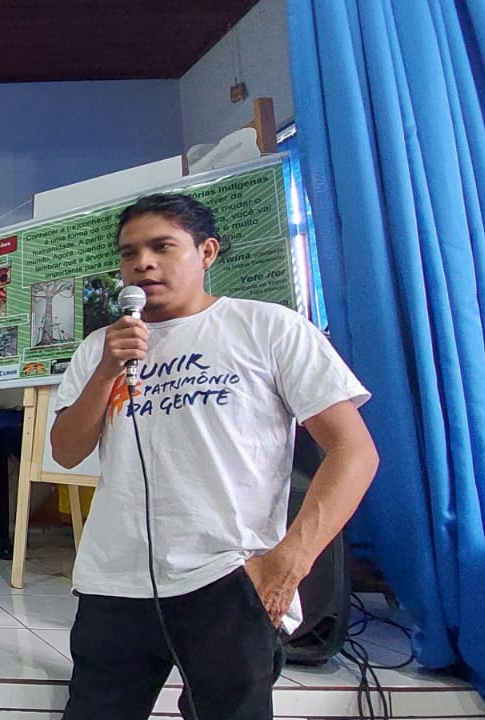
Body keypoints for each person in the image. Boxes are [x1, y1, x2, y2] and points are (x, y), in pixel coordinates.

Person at [49, 194, 379, 720]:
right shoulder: (99, 349)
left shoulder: (269, 328)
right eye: (130, 253)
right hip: (115, 580)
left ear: (206, 252)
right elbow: (66, 452)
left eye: (162, 247)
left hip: (229, 579)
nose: (143, 264)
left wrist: (289, 563)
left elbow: (354, 451)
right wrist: (107, 370)